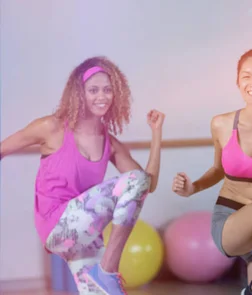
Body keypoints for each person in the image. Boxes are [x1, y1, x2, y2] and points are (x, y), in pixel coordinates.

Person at [0, 56, 165, 295]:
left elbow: (147, 185)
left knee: (107, 293)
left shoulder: (110, 143)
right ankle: (108, 271)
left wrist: (157, 134)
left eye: (108, 90)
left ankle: (105, 277)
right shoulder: (52, 127)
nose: (102, 96)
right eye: (93, 90)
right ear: (79, 93)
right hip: (56, 225)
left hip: (85, 234)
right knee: (135, 181)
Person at [171, 48, 252, 295]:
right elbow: (217, 169)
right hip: (230, 221)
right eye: (246, 76)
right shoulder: (221, 124)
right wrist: (193, 188)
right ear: (237, 82)